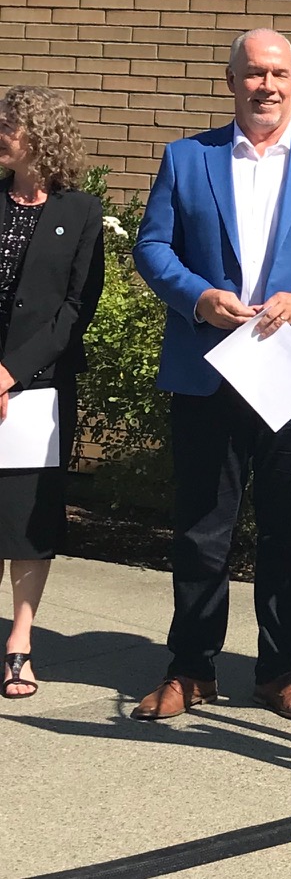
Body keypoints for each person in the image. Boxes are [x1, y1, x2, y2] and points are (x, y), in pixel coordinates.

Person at [130, 28, 291, 722]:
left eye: (277, 73)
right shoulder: (188, 158)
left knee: (288, 527)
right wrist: (195, 296)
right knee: (201, 529)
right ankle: (191, 668)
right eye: (252, 73)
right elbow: (151, 245)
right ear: (231, 79)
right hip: (209, 365)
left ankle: (279, 671)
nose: (265, 85)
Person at [0, 87, 104, 700]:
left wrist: (9, 373)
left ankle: (19, 643)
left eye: (9, 122)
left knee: (27, 517)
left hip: (38, 391)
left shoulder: (81, 211)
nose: (1, 130)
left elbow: (74, 309)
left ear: (40, 134)